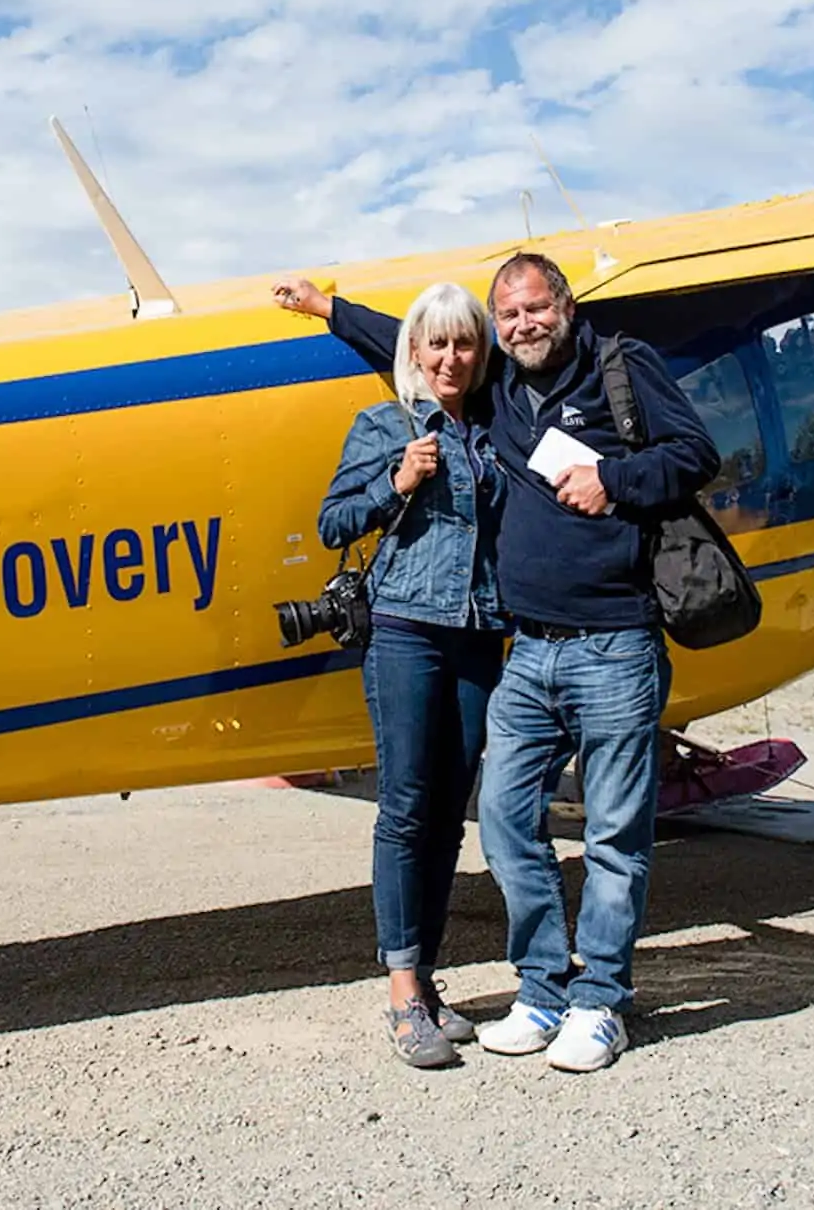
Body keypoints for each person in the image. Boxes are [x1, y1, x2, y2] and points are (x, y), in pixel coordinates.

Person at [275, 255, 719, 1071]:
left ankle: (592, 1000)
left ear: (564, 306)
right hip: (480, 643)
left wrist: (612, 478)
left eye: (532, 309)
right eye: (505, 316)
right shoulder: (447, 411)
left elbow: (695, 454)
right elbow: (418, 350)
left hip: (574, 640)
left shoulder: (578, 381)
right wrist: (328, 309)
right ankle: (495, 989)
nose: (517, 328)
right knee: (483, 820)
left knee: (579, 830)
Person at [314, 281, 508, 1069]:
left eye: (464, 343)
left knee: (446, 812)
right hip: (403, 628)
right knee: (404, 806)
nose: (451, 357)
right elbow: (330, 522)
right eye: (436, 344)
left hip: (477, 630)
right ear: (414, 354)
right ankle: (400, 993)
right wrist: (394, 482)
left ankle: (427, 980)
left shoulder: (496, 427)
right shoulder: (383, 424)